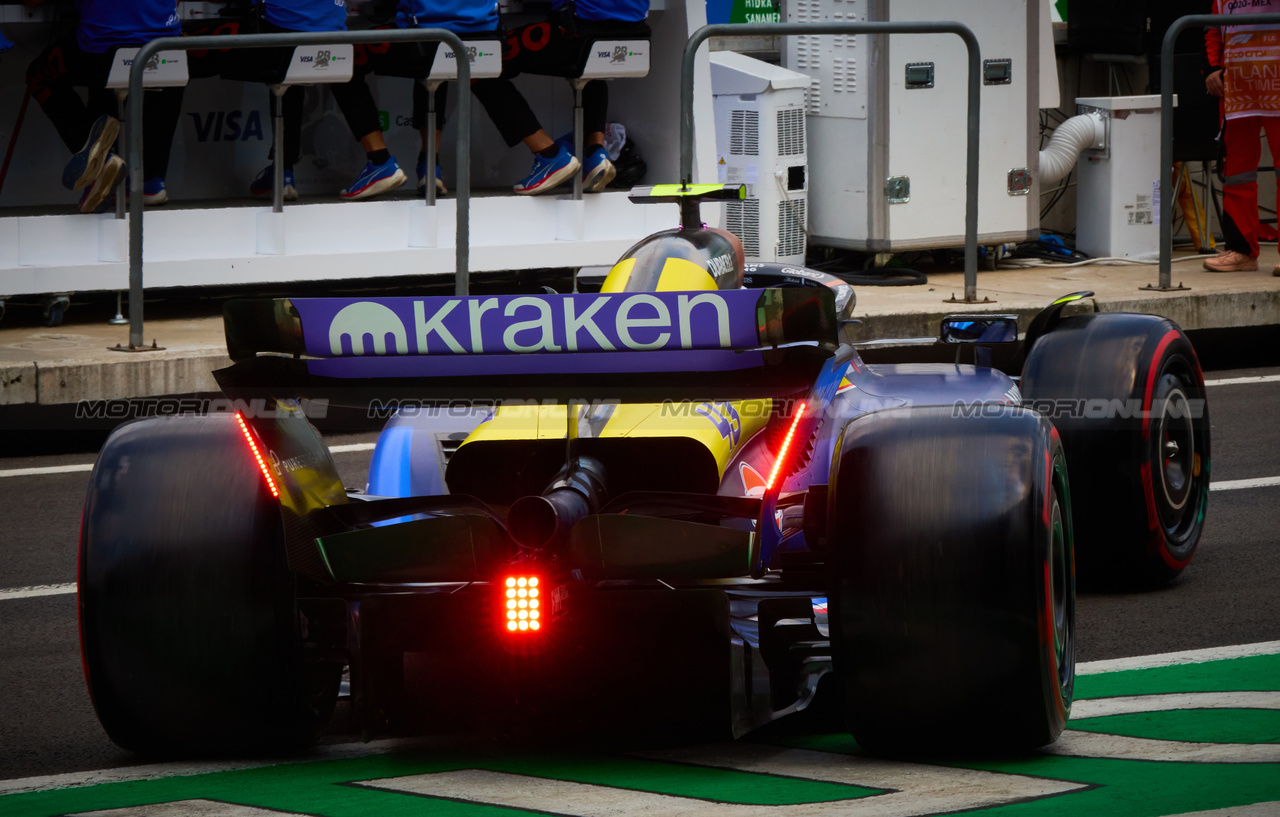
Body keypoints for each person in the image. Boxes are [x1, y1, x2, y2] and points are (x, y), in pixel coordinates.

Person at [24, 0, 185, 212]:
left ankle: (97, 165)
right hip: (166, 50)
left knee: (40, 75)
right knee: (164, 70)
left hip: (102, 54)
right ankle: (151, 184)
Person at [241, 0, 407, 201]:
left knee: (285, 73)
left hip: (284, 33)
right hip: (334, 30)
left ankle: (283, 172)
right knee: (333, 73)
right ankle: (381, 160)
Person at [489, 0, 650, 194]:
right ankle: (595, 154)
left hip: (577, 35)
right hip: (634, 37)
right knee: (594, 62)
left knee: (485, 61)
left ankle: (549, 155)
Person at [1203, 0, 1280, 275]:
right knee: (1237, 173)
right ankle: (1241, 251)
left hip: (1277, 82)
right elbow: (1213, 29)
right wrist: (1212, 68)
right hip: (1237, 88)